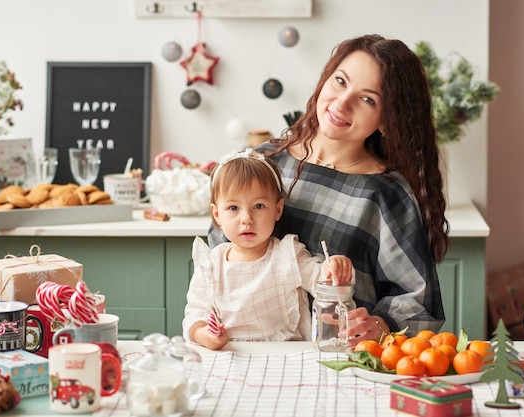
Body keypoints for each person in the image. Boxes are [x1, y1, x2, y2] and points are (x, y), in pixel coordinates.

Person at [209, 34, 449, 344]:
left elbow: (419, 303)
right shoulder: (261, 162)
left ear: (387, 120)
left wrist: (379, 325)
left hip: (337, 360)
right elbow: (215, 258)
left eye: (368, 99)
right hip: (242, 351)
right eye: (340, 81)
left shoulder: (385, 194)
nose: (342, 102)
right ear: (325, 79)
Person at [183, 149, 354, 350]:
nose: (246, 218)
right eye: (233, 208)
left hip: (284, 356)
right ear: (217, 214)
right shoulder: (211, 265)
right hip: (229, 354)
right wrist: (205, 335)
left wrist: (334, 268)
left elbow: (324, 284)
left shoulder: (287, 256)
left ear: (278, 210)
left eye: (258, 206)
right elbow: (196, 314)